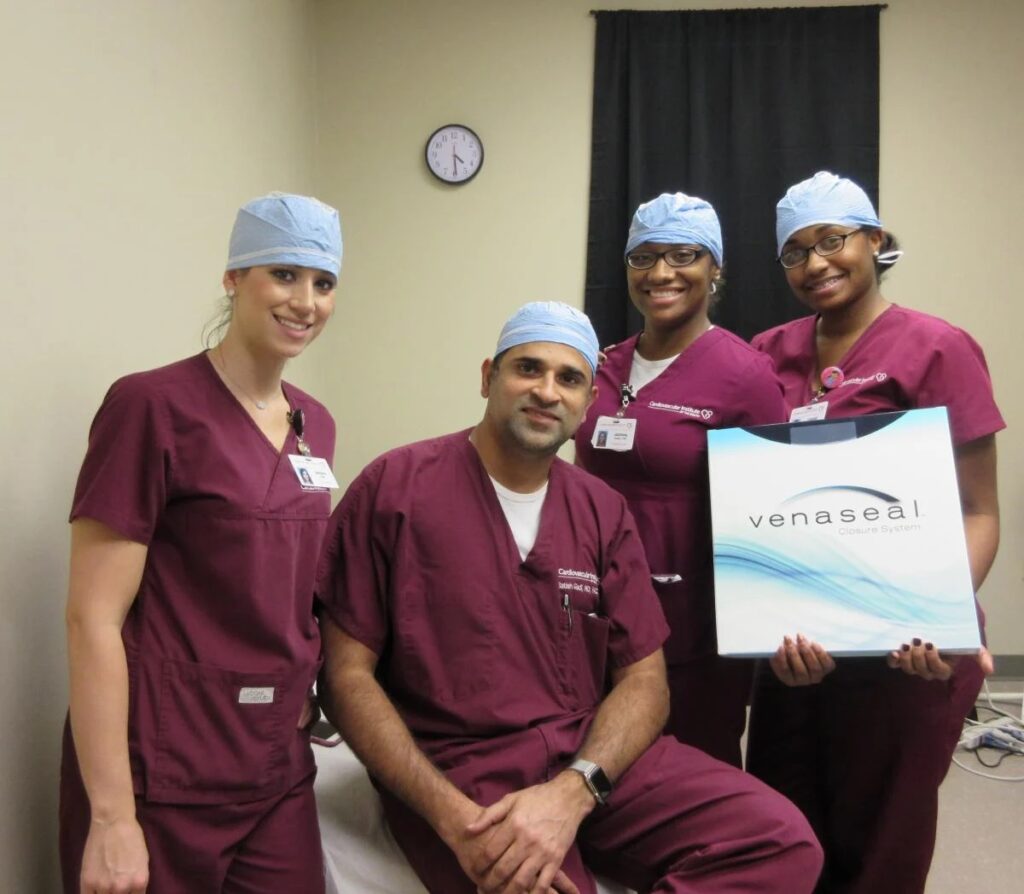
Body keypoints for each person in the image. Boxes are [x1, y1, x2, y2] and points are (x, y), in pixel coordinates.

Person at [316, 301, 822, 894]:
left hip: (587, 757)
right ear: (487, 377)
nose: (547, 391)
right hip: (457, 767)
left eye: (569, 378)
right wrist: (454, 821)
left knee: (782, 843)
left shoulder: (601, 510)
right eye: (527, 369)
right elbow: (346, 677)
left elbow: (644, 681)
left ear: (586, 404)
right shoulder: (396, 488)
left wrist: (576, 789)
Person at [61, 193, 343, 894]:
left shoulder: (317, 424)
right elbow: (91, 618)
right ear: (233, 279)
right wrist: (112, 818)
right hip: (163, 767)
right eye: (282, 274)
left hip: (273, 764)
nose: (304, 301)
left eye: (323, 283)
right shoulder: (150, 407)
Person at [746, 171, 1004, 893]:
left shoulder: (938, 348)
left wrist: (934, 614)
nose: (817, 264)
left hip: (906, 645)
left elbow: (979, 511)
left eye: (834, 241)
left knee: (883, 831)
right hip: (797, 638)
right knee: (781, 818)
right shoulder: (768, 349)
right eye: (795, 252)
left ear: (876, 241)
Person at [574, 193, 787, 767]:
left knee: (692, 776)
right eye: (643, 257)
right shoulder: (603, 365)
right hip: (592, 615)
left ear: (715, 268)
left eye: (683, 255)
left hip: (690, 630)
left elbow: (774, 514)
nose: (660, 273)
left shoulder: (746, 377)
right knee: (592, 771)